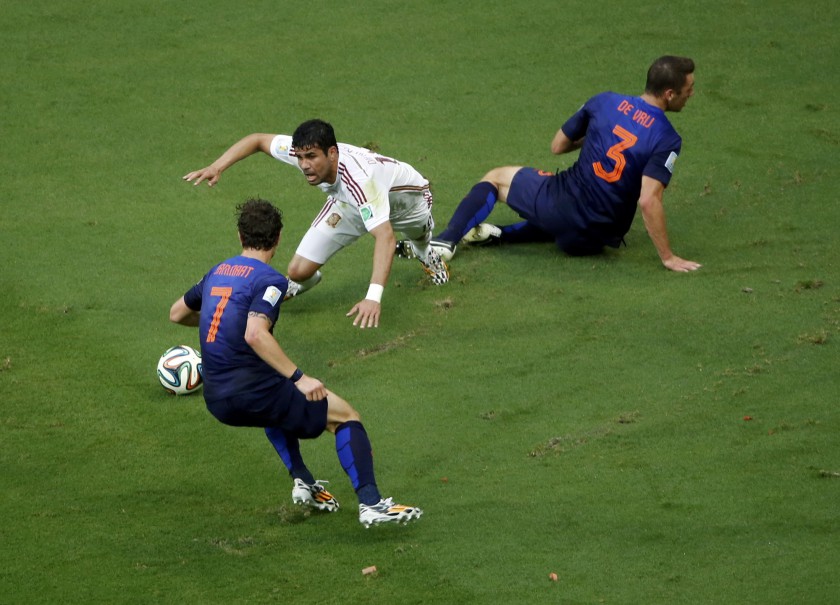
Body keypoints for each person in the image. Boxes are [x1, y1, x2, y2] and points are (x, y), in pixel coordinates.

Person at [168, 198, 422, 527]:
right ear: (278, 239)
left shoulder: (217, 272)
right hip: (249, 391)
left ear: (239, 236)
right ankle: (372, 504)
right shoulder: (270, 280)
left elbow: (178, 314)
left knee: (275, 398)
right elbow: (256, 335)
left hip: (216, 398)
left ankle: (304, 483)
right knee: (345, 417)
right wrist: (300, 376)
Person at [423, 56, 701, 272]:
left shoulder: (604, 102)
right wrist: (668, 257)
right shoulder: (667, 138)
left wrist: (593, 138)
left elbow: (557, 146)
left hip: (561, 205)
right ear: (669, 93)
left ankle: (446, 240)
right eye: (689, 89)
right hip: (596, 238)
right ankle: (500, 235)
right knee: (564, 219)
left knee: (496, 177)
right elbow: (649, 199)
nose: (691, 94)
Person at [183, 119, 448, 329]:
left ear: (332, 153)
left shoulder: (360, 178)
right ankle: (303, 283)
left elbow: (385, 238)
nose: (304, 165)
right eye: (300, 157)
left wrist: (372, 297)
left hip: (409, 205)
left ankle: (426, 255)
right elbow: (258, 140)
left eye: (311, 157)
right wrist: (217, 166)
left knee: (419, 239)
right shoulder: (304, 153)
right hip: (349, 206)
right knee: (297, 271)